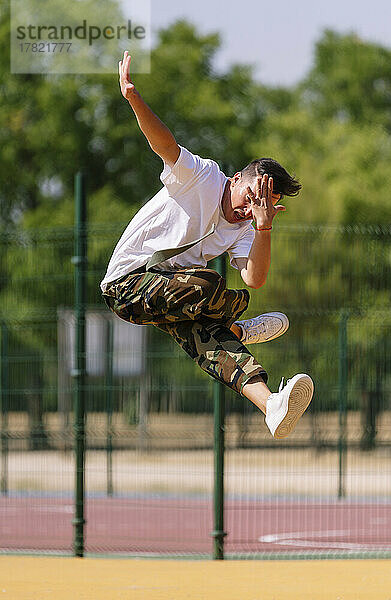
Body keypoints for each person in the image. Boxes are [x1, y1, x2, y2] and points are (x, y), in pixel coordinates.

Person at [101, 51, 314, 439]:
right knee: (208, 284)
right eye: (251, 196)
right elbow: (164, 144)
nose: (250, 210)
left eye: (261, 205)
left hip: (174, 295)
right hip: (128, 285)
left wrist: (264, 230)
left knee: (214, 346)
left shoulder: (249, 227)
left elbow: (254, 279)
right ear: (236, 179)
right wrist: (133, 98)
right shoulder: (201, 177)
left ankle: (270, 406)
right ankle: (234, 324)